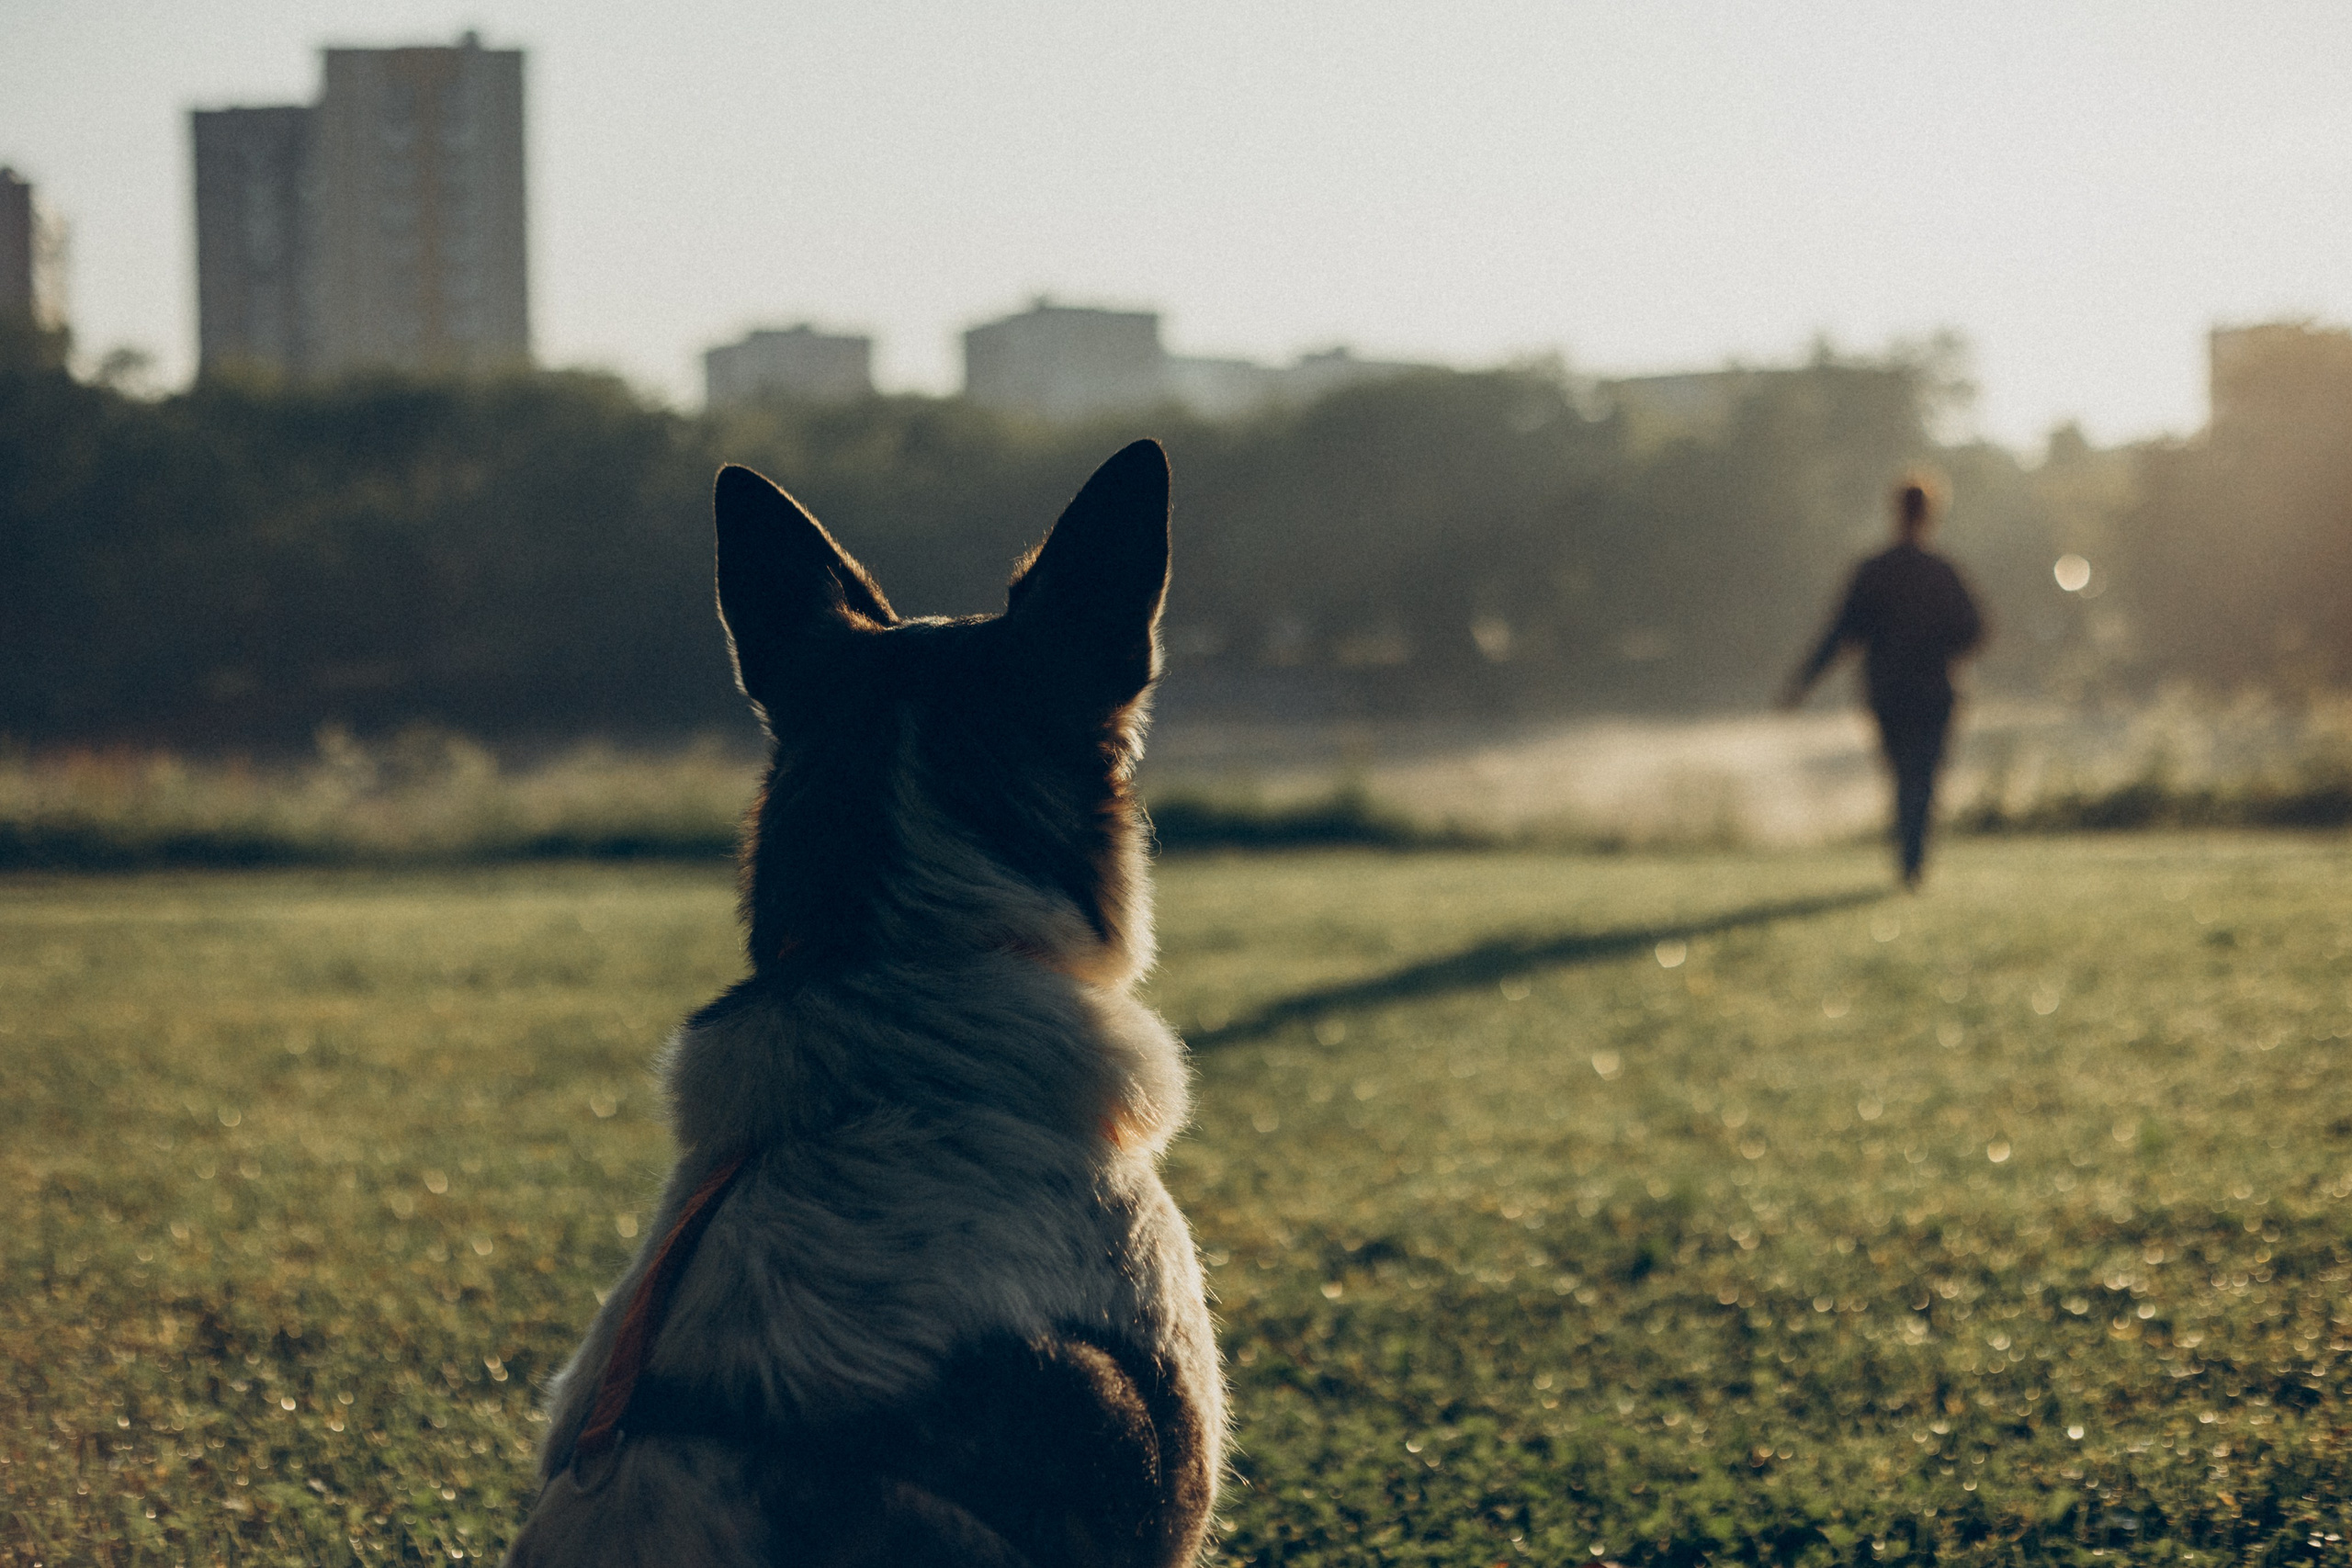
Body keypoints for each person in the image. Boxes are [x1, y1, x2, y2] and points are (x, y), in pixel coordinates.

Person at [1780, 475, 1985, 888]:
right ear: (1932, 514)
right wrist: (1939, 647)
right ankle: (1913, 861)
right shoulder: (1942, 572)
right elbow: (1975, 630)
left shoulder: (1874, 571)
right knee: (1921, 776)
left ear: (1895, 511)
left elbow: (1840, 634)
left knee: (1903, 774)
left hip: (1887, 691)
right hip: (1933, 692)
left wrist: (1803, 682)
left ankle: (1909, 859)